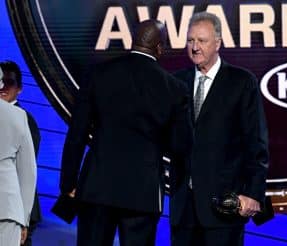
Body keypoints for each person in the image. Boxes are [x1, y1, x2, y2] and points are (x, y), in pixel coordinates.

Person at [59, 19, 193, 246]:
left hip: (96, 189)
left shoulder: (98, 74)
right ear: (160, 48)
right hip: (143, 194)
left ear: (132, 40)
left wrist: (68, 183)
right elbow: (182, 145)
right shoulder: (174, 88)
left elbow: (77, 134)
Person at [170, 12, 269, 246]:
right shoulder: (176, 83)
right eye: (191, 40)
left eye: (202, 41)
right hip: (184, 208)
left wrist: (254, 193)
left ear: (218, 43)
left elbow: (256, 142)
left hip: (224, 206)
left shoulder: (241, 82)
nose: (195, 47)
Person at [0, 60, 42, 246]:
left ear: (19, 88)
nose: (4, 88)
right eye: (4, 82)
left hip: (12, 210)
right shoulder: (16, 117)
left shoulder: (23, 118)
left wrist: (23, 217)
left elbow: (26, 172)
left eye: (11, 83)